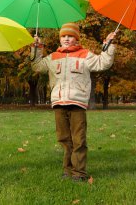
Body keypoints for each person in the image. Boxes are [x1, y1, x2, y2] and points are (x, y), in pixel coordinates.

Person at [30, 22, 116, 182]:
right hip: (59, 103)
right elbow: (36, 66)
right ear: (60, 38)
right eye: (64, 36)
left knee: (79, 139)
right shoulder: (53, 57)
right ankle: (67, 170)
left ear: (76, 39)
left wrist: (108, 46)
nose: (66, 39)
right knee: (64, 139)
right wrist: (36, 47)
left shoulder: (85, 55)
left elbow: (103, 63)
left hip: (77, 103)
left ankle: (79, 173)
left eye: (70, 36)